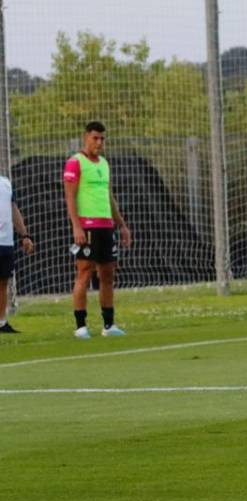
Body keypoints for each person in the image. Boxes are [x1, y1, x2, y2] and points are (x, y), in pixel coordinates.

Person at [63, 121, 132, 339]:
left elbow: (109, 197)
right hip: (87, 227)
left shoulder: (104, 163)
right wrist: (77, 226)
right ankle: (81, 326)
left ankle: (109, 325)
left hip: (106, 227)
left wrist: (121, 225)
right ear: (86, 137)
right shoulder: (75, 163)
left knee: (108, 275)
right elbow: (70, 197)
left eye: (102, 138)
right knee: (84, 273)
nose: (99, 142)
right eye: (95, 138)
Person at [1, 175, 35, 334]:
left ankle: (1, 323)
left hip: (6, 242)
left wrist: (24, 235)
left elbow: (13, 209)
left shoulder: (6, 183)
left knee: (3, 283)